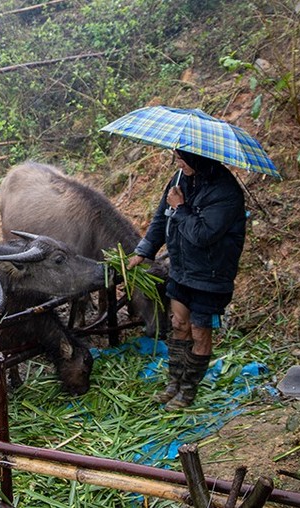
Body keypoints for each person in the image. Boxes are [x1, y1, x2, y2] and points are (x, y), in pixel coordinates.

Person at [128, 149, 246, 410]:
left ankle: (188, 390)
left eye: (181, 158)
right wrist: (143, 251)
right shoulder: (179, 178)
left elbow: (203, 234)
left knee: (199, 332)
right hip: (181, 270)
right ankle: (174, 382)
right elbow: (160, 219)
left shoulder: (225, 191)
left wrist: (180, 208)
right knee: (179, 324)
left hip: (210, 274)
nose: (177, 163)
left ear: (199, 158)